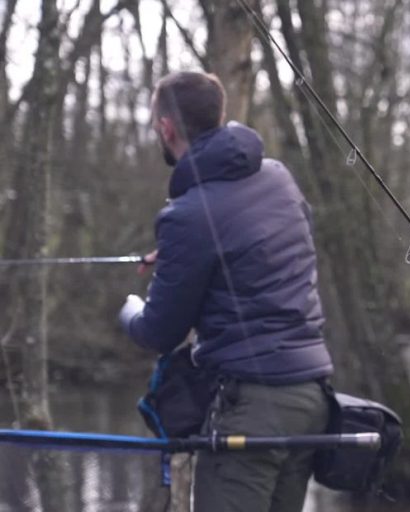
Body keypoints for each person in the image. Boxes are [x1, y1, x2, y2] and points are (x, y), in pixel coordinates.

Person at [118, 71, 333, 512]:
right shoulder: (277, 177)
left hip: (251, 408)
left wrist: (129, 309)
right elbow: (270, 246)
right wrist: (188, 259)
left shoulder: (186, 215)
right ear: (220, 114)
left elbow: (159, 331)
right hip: (311, 396)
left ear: (166, 128)